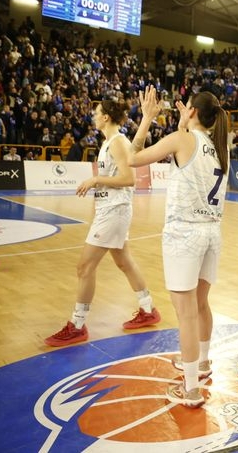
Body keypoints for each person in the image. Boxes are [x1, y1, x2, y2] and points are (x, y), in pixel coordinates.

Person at [128, 87, 229, 408]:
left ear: (193, 112)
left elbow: (132, 158)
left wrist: (146, 118)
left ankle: (191, 390)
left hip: (185, 233)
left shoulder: (181, 138)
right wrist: (185, 126)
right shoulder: (219, 145)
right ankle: (202, 362)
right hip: (212, 233)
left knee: (185, 314)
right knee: (201, 305)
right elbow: (190, 151)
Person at [45, 100, 160, 348]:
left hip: (115, 211)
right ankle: (148, 308)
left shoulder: (118, 142)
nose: (93, 117)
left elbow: (130, 179)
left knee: (84, 267)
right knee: (124, 261)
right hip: (110, 210)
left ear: (106, 117)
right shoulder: (109, 142)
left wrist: (97, 179)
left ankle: (77, 325)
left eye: (96, 113)